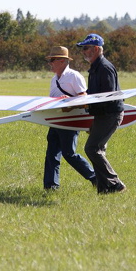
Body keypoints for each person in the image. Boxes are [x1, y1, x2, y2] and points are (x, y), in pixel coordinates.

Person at [76, 34, 127, 193]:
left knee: (92, 148)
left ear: (96, 49)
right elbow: (93, 93)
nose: (83, 52)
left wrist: (89, 104)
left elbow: (109, 96)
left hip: (110, 114)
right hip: (102, 114)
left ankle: (115, 183)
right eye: (82, 49)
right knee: (97, 149)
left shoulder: (104, 68)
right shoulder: (95, 68)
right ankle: (104, 188)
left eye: (86, 48)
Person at [43, 46, 97, 190]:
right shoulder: (54, 79)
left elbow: (83, 97)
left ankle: (95, 177)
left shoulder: (74, 76)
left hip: (70, 121)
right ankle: (51, 186)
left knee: (69, 154)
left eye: (52, 60)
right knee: (51, 154)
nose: (50, 63)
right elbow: (52, 99)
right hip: (56, 119)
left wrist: (69, 101)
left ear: (62, 61)